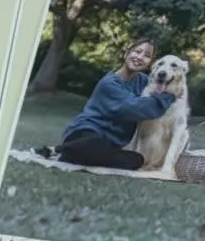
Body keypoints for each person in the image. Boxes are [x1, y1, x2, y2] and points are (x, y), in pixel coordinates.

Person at [37, 38, 174, 170]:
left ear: (150, 63)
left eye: (147, 56)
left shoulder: (144, 81)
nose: (139, 57)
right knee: (93, 144)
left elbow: (163, 86)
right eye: (137, 51)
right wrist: (169, 97)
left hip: (110, 144)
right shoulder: (109, 83)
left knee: (136, 160)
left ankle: (74, 155)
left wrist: (171, 89)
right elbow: (134, 108)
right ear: (127, 53)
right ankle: (58, 150)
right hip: (85, 133)